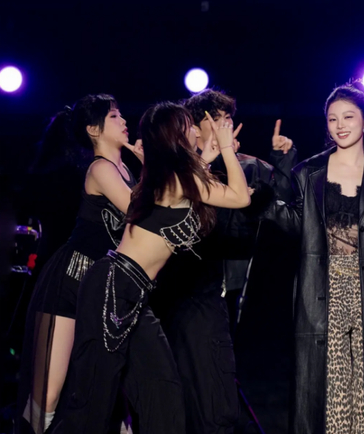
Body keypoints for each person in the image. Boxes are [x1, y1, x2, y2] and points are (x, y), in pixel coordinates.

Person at [49, 102, 250, 434]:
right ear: (176, 135)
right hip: (113, 288)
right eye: (188, 126)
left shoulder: (169, 178)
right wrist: (226, 148)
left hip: (133, 294)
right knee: (91, 405)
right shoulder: (174, 178)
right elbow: (240, 197)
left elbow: (187, 192)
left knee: (164, 396)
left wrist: (208, 157)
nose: (195, 130)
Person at [265, 81, 364, 434]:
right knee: (328, 395)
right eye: (332, 119)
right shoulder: (308, 172)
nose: (340, 125)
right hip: (321, 293)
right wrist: (281, 164)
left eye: (348, 117)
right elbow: (288, 221)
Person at [152, 88, 297, 434]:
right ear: (195, 124)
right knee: (180, 371)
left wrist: (282, 159)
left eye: (228, 119)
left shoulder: (245, 165)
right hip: (175, 282)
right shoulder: (177, 165)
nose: (225, 125)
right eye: (217, 119)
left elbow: (283, 204)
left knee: (217, 371)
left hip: (225, 282)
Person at [17, 94, 141, 433]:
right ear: (93, 129)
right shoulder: (100, 168)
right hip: (72, 281)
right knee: (47, 393)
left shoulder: (126, 170)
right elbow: (141, 211)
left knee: (114, 391)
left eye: (120, 114)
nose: (124, 121)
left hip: (105, 286)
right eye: (114, 116)